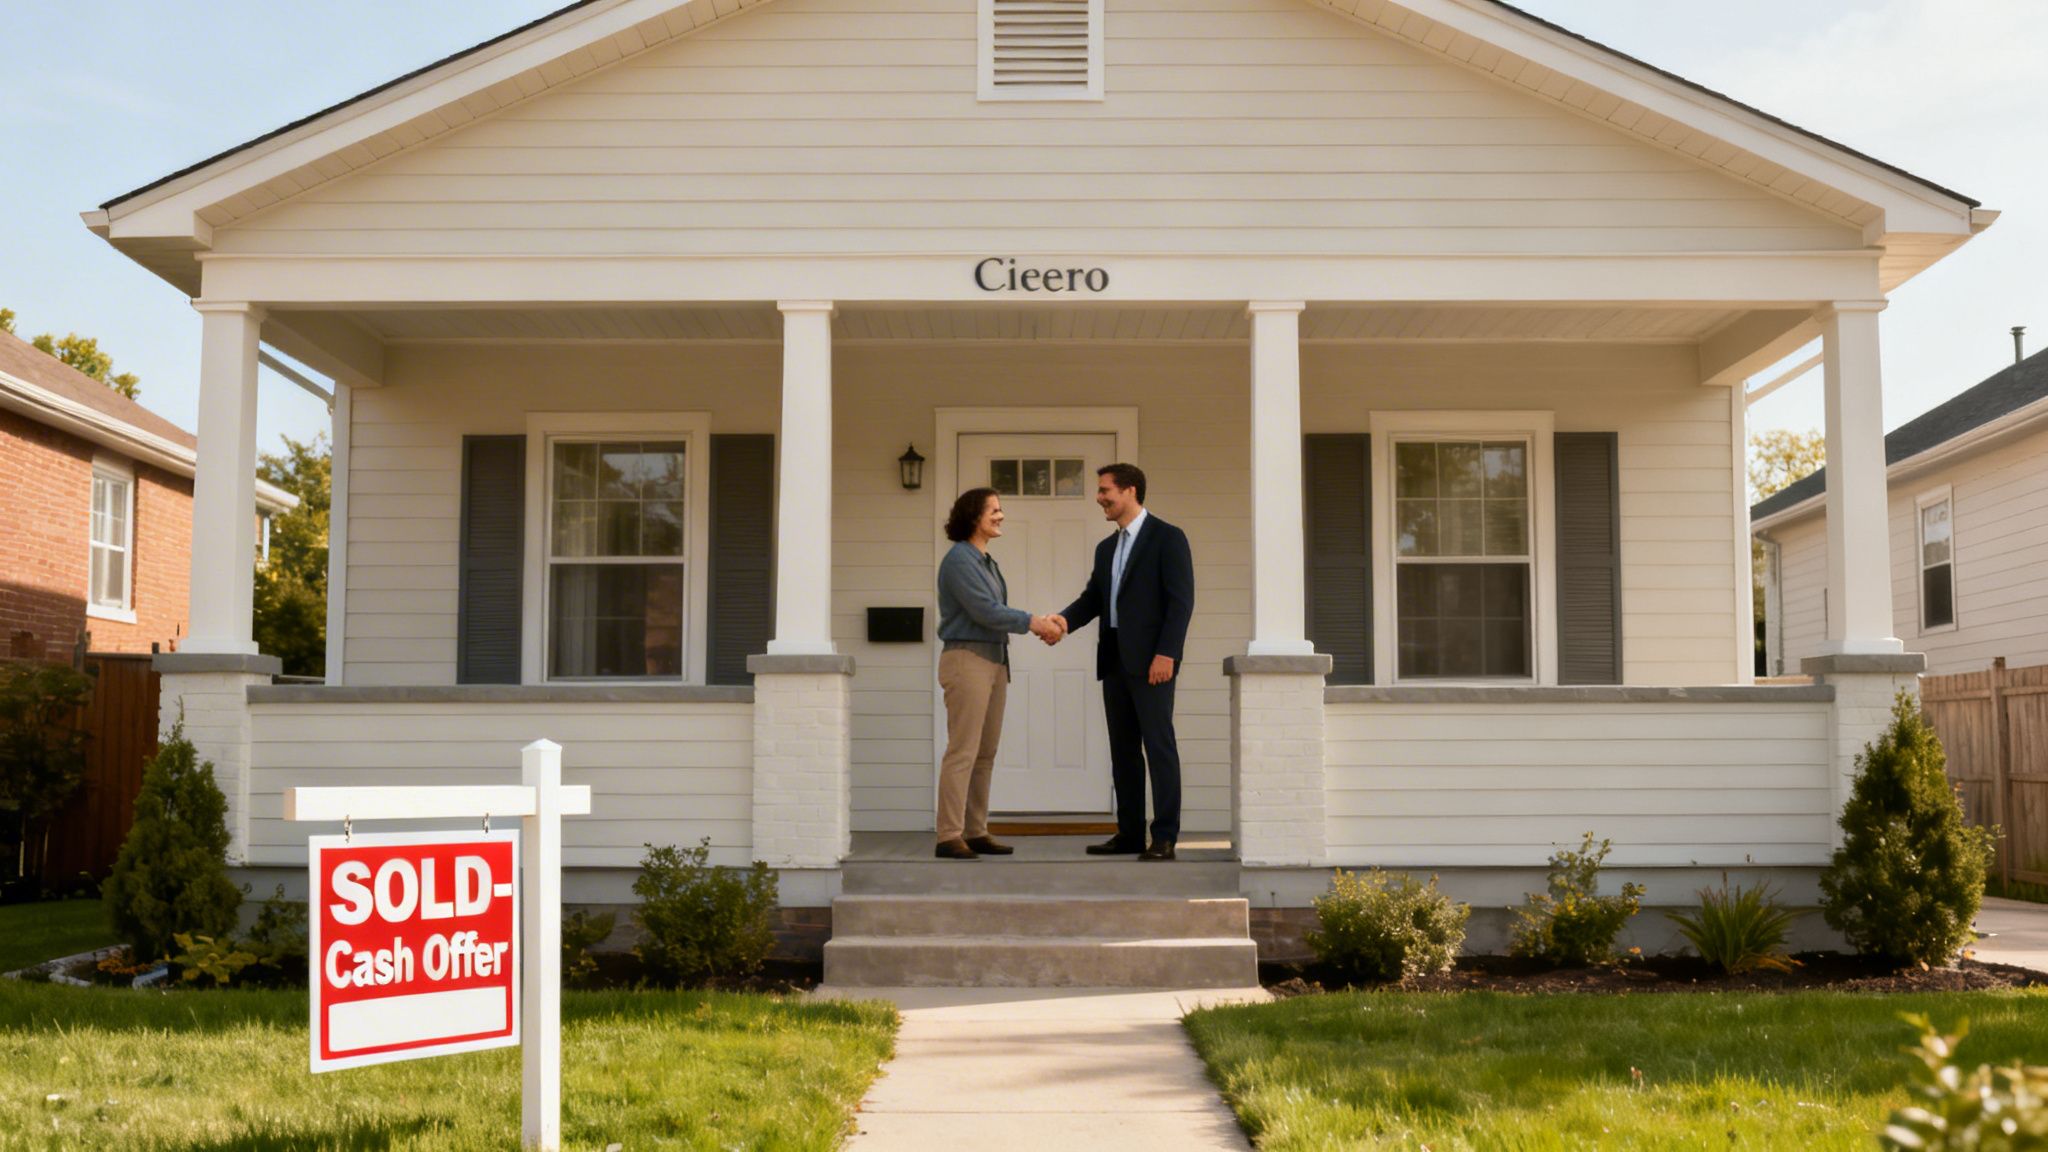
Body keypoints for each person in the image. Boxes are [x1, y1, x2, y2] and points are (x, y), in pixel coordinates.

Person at [1049, 463, 1194, 861]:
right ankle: (1129, 833)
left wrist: (1168, 653)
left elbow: (1181, 603)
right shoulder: (1106, 548)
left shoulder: (1168, 538)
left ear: (1129, 490)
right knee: (1123, 751)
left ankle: (1163, 837)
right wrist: (1062, 622)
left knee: (1159, 747)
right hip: (1113, 659)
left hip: (1153, 661)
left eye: (1104, 490)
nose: (1099, 498)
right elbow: (1094, 600)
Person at [934, 487, 1066, 860]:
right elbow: (986, 610)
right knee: (963, 750)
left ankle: (975, 830)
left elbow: (994, 611)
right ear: (974, 515)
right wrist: (1035, 622)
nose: (1000, 515)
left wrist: (1037, 623)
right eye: (994, 509)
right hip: (967, 660)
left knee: (985, 752)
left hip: (994, 660)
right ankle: (948, 835)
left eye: (1000, 509)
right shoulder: (960, 559)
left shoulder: (986, 561)